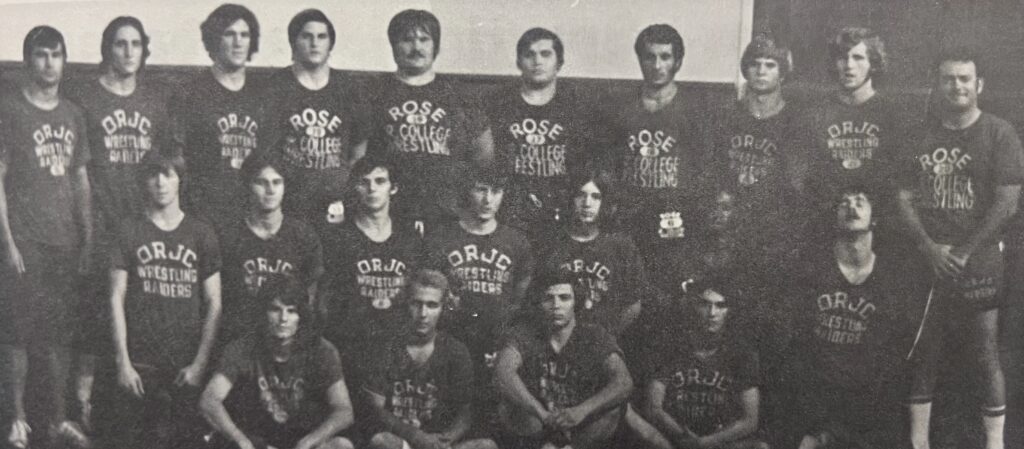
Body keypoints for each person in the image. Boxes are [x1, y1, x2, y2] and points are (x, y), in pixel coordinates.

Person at [897, 47, 1023, 449]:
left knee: (985, 352)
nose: (957, 86)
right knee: (924, 349)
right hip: (928, 257)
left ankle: (995, 444)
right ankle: (918, 443)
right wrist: (928, 247)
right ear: (937, 85)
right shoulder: (919, 134)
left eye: (964, 78)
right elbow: (902, 197)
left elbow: (1007, 203)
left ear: (979, 84)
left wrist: (965, 251)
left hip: (979, 257)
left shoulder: (999, 133)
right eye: (948, 79)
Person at [67, 16, 178, 431]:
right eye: (120, 44)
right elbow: (78, 170)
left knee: (136, 316)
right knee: (93, 320)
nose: (129, 52)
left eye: (135, 44)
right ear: (107, 49)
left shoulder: (155, 100)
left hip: (143, 223)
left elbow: (167, 164)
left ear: (144, 50)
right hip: (101, 223)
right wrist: (87, 229)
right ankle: (81, 410)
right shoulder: (86, 98)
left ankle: (128, 415)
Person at [0, 25, 93, 449]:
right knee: (18, 333)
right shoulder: (10, 110)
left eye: (56, 54)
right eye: (41, 54)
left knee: (60, 334)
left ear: (65, 60)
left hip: (65, 242)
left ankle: (58, 420)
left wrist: (87, 237)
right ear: (27, 61)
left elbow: (80, 179)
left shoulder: (73, 113)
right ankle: (18, 420)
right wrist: (7, 242)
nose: (49, 63)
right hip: (25, 240)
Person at [107, 151, 221, 449]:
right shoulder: (128, 229)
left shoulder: (200, 232)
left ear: (180, 179)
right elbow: (115, 296)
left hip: (185, 365)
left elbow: (214, 303)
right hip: (140, 364)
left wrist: (200, 364)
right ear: (143, 181)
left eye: (168, 174)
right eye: (153, 174)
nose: (160, 182)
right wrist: (123, 362)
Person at [791, 187, 912, 449]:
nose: (851, 207)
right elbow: (797, 346)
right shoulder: (812, 271)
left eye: (860, 202)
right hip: (819, 402)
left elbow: (893, 353)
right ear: (834, 218)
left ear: (874, 218)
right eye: (844, 203)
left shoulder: (890, 277)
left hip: (869, 408)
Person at [360, 9, 495, 234]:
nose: (417, 47)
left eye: (424, 39)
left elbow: (484, 159)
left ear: (436, 46)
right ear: (393, 46)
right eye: (407, 39)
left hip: (448, 213)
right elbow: (358, 156)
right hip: (388, 213)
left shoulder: (459, 95)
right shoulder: (373, 92)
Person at [200, 274, 355, 449]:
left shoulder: (321, 350)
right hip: (259, 441)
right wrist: (241, 440)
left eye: (291, 311)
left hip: (304, 439)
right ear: (263, 312)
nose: (283, 319)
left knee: (342, 445)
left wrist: (308, 442)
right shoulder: (243, 347)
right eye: (275, 309)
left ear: (302, 316)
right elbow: (209, 400)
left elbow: (344, 410)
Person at [494, 271, 632, 449]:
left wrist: (582, 411)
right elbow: (503, 372)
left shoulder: (593, 335)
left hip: (579, 423)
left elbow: (624, 382)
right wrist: (541, 413)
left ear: (576, 302)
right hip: (538, 422)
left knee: (613, 410)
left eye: (564, 298)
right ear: (538, 303)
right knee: (509, 405)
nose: (556, 305)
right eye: (548, 299)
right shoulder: (525, 333)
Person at [364, 269, 498, 449]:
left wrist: (446, 439)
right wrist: (416, 436)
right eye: (416, 304)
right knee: (381, 441)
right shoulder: (387, 347)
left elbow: (465, 412)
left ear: (443, 308)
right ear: (405, 304)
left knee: (487, 446)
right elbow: (375, 409)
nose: (423, 313)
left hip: (438, 442)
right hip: (402, 442)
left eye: (432, 305)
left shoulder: (455, 351)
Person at [319, 153, 425, 381]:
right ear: (355, 188)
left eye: (380, 181)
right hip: (351, 348)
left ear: (393, 188)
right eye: (364, 182)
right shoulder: (338, 238)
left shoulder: (409, 238)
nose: (372, 189)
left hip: (397, 348)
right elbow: (325, 299)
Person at [485, 27, 597, 241]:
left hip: (560, 215)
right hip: (508, 214)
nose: (537, 61)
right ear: (518, 63)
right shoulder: (498, 105)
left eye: (545, 54)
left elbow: (584, 168)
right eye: (529, 54)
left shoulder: (577, 108)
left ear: (559, 63)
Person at [264, 8, 367, 233]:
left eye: (321, 37)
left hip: (336, 203)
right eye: (306, 36)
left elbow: (359, 151)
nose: (314, 43)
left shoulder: (348, 88)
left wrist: (344, 189)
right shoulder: (276, 86)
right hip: (289, 202)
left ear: (330, 44)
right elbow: (266, 149)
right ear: (293, 42)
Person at [795, 27, 907, 232]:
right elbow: (803, 177)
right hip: (826, 220)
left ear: (873, 63)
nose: (849, 65)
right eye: (842, 58)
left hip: (879, 223)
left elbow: (898, 180)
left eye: (858, 58)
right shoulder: (816, 114)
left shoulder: (892, 115)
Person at [643, 278, 767, 449]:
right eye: (704, 304)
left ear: (729, 311)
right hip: (676, 437)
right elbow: (653, 408)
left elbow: (750, 420)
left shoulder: (743, 354)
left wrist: (704, 443)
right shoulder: (669, 347)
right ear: (692, 307)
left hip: (718, 440)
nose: (712, 313)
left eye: (720, 305)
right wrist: (683, 438)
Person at [605, 24, 704, 238]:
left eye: (665, 57)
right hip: (628, 215)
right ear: (640, 60)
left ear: (677, 62)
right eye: (649, 57)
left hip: (674, 217)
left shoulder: (694, 110)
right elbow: (607, 163)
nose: (657, 65)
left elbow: (703, 170)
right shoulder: (620, 107)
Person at [175, 3, 268, 230]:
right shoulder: (191, 92)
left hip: (251, 212)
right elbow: (177, 159)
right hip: (204, 213)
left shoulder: (263, 94)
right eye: (229, 34)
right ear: (214, 39)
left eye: (244, 35)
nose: (238, 42)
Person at [219, 152, 323, 343]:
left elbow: (309, 299)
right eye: (261, 182)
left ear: (285, 186)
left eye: (277, 182)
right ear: (248, 185)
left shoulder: (303, 236)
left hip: (286, 343)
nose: (270, 190)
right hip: (240, 339)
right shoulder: (229, 236)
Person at [543, 168, 647, 336]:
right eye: (580, 195)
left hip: (603, 340)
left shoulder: (621, 246)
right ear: (571, 199)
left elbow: (633, 305)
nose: (587, 203)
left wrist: (606, 338)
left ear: (605, 202)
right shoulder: (553, 244)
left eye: (596, 197)